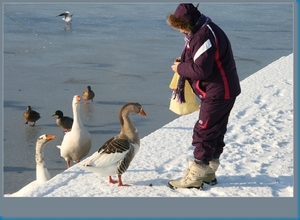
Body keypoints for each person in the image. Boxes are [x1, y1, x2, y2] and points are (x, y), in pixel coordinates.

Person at [166, 3, 241, 190]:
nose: (180, 31)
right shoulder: (204, 29)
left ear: (188, 23)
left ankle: (195, 177)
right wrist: (183, 62)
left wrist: (180, 68)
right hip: (224, 89)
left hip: (218, 91)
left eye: (181, 26)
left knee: (204, 131)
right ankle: (209, 173)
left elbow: (201, 69)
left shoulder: (203, 36)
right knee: (215, 131)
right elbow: (202, 60)